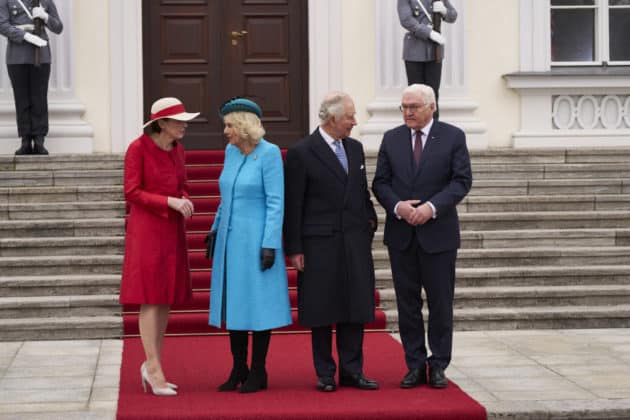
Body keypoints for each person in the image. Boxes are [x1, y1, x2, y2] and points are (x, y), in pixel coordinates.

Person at [372, 84, 472, 389]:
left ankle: (439, 363)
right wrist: (398, 206)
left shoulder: (453, 136)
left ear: (432, 107)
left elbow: (461, 181)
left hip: (438, 235)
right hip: (402, 235)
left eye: (413, 106)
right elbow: (381, 183)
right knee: (407, 304)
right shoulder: (392, 138)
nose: (408, 112)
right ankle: (414, 364)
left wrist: (431, 208)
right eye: (403, 107)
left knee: (441, 303)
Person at [284, 92, 379, 392]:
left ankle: (353, 370)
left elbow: (360, 191)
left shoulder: (355, 148)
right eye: (350, 116)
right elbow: (293, 204)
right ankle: (325, 372)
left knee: (355, 306)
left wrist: (369, 221)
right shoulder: (302, 152)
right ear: (332, 119)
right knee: (322, 308)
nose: (355, 122)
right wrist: (294, 247)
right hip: (319, 243)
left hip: (354, 240)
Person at [208, 97, 292, 394]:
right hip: (231, 242)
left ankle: (258, 370)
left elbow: (275, 201)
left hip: (257, 242)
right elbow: (225, 195)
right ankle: (238, 367)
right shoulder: (231, 152)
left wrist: (270, 243)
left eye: (230, 125)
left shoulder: (269, 155)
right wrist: (214, 230)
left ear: (244, 126)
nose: (226, 131)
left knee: (258, 304)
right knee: (235, 303)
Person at [119, 97, 199, 396]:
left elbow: (181, 183)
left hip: (171, 229)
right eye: (178, 121)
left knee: (164, 297)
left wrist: (184, 197)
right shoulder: (137, 149)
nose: (184, 125)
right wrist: (169, 201)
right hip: (147, 231)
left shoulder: (178, 151)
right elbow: (132, 191)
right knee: (150, 298)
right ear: (161, 124)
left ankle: (154, 363)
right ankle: (152, 368)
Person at [0, 0, 63, 155]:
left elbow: (58, 27)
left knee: (39, 98)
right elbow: (2, 25)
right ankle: (26, 140)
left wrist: (46, 17)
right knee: (21, 99)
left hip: (41, 55)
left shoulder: (45, 1)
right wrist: (24, 36)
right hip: (17, 56)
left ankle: (39, 140)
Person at [397, 0, 457, 118]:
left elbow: (453, 15)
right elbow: (406, 20)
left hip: (434, 51)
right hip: (414, 51)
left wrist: (444, 11)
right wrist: (429, 33)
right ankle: (416, 128)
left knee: (433, 94)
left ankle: (433, 129)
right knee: (415, 95)